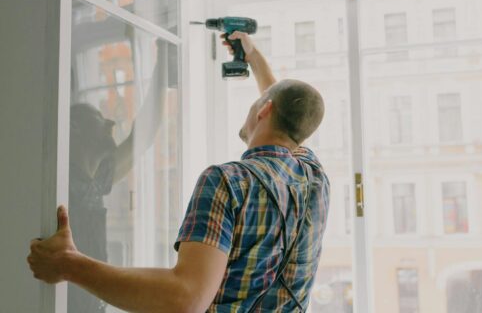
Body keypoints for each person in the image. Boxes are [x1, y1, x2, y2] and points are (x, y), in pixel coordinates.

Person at [28, 31, 330, 312]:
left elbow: (186, 298)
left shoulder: (228, 182)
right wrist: (253, 57)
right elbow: (290, 118)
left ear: (263, 111)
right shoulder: (315, 177)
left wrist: (67, 264)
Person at [67, 39, 168, 313]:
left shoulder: (97, 180)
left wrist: (163, 66)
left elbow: (143, 135)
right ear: (75, 128)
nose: (110, 122)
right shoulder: (59, 184)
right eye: (98, 117)